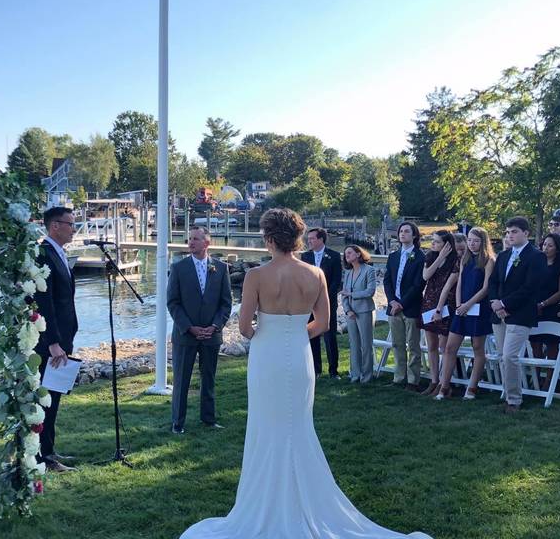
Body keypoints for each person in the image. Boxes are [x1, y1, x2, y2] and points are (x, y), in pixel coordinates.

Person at [179, 209, 432, 539]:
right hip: (299, 357)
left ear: (269, 239)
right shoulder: (315, 274)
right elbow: (324, 324)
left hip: (267, 358)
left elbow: (243, 327)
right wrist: (295, 333)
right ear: (297, 239)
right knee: (297, 426)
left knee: (266, 427)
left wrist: (267, 335)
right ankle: (303, 501)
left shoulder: (256, 276)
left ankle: (268, 503)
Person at [167, 226, 233, 434]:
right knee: (181, 380)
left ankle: (209, 419)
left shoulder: (221, 268)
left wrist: (214, 326)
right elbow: (173, 303)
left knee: (209, 378)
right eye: (189, 239)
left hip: (211, 335)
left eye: (196, 239)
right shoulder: (178, 268)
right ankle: (178, 423)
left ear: (207, 243)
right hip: (186, 335)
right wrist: (190, 327)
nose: (191, 242)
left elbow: (226, 303)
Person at [33, 206, 80, 472]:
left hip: (64, 335)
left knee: (55, 396)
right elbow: (44, 301)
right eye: (70, 224)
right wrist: (52, 342)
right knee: (46, 398)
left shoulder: (58, 253)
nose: (74, 228)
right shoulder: (44, 255)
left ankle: (49, 450)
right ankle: (43, 457)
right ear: (55, 226)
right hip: (52, 342)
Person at [489, 217, 547, 414]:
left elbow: (530, 287)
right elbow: (493, 282)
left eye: (514, 231)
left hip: (520, 313)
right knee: (501, 357)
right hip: (499, 313)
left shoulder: (536, 256)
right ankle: (507, 394)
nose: (509, 235)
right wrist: (496, 304)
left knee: (510, 356)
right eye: (507, 232)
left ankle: (515, 400)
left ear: (526, 234)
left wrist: (505, 303)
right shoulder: (504, 256)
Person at [437, 227, 496, 400]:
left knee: (478, 348)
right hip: (461, 308)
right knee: (449, 347)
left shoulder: (488, 260)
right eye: (469, 240)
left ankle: (472, 388)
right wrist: (458, 304)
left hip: (478, 307)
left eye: (476, 240)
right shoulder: (464, 259)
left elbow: (486, 288)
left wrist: (469, 304)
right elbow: (460, 282)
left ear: (483, 242)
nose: (472, 243)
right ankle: (444, 387)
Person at [382, 222, 426, 391]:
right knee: (397, 343)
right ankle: (399, 376)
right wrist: (392, 301)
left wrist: (402, 303)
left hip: (411, 307)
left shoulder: (420, 257)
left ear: (414, 235)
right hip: (393, 307)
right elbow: (387, 281)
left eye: (407, 231)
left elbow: (418, 285)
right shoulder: (393, 256)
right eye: (401, 231)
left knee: (413, 345)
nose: (403, 234)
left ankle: (413, 380)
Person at [528, 234, 560, 391]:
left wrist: (544, 304)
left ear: (557, 249)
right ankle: (535, 377)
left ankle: (549, 381)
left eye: (550, 245)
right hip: (535, 309)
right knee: (535, 345)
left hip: (552, 309)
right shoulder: (536, 264)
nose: (545, 248)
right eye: (544, 244)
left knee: (552, 346)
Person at [419, 230, 458, 396]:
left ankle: (444, 381)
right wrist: (439, 257)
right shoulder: (430, 257)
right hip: (429, 302)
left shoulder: (455, 261)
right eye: (432, 241)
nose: (433, 244)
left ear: (447, 245)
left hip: (446, 305)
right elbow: (426, 275)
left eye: (437, 242)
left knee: (444, 346)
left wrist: (445, 257)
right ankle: (433, 380)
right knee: (431, 345)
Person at [300, 227, 343, 378]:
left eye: (312, 238)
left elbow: (337, 281)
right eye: (309, 238)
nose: (309, 241)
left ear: (321, 239)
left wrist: (324, 298)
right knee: (312, 336)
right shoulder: (305, 257)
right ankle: (316, 370)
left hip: (328, 302)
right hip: (309, 304)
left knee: (330, 337)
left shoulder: (334, 256)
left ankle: (333, 371)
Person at [340, 245, 377, 384]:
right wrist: (348, 310)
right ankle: (355, 375)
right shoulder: (348, 272)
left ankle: (366, 377)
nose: (346, 256)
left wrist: (351, 294)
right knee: (354, 344)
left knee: (366, 345)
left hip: (365, 311)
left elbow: (370, 292)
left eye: (349, 253)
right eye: (345, 254)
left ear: (358, 254)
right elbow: (344, 294)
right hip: (351, 314)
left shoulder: (369, 270)